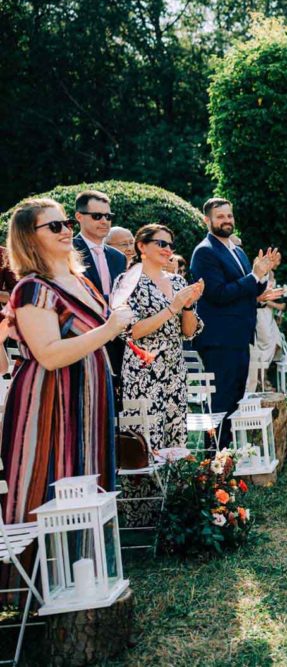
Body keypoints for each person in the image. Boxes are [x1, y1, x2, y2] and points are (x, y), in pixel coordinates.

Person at [1, 198, 132, 524]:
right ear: (30, 236)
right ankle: (39, 573)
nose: (66, 231)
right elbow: (49, 353)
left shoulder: (82, 281)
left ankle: (84, 568)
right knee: (50, 485)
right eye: (55, 225)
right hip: (50, 404)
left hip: (88, 402)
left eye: (67, 224)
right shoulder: (31, 289)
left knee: (87, 480)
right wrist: (110, 328)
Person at [190, 198, 281, 448]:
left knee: (236, 399)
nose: (227, 220)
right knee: (221, 402)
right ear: (207, 220)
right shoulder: (205, 252)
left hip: (239, 337)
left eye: (229, 216)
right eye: (220, 216)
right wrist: (255, 275)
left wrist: (261, 276)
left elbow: (248, 289)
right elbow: (218, 294)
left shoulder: (237, 250)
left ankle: (230, 456)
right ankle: (215, 461)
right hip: (219, 339)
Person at [111, 224, 204, 448]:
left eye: (170, 245)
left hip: (174, 368)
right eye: (161, 243)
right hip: (143, 370)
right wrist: (173, 308)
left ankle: (174, 483)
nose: (167, 249)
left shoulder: (178, 282)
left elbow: (189, 332)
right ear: (141, 246)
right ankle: (145, 484)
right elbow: (131, 331)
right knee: (146, 438)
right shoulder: (127, 282)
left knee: (175, 434)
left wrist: (188, 306)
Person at [73, 190, 127, 406]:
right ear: (79, 217)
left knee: (113, 408)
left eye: (108, 216)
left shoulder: (118, 257)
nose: (104, 221)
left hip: (115, 342)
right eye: (97, 216)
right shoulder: (67, 251)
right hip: (81, 337)